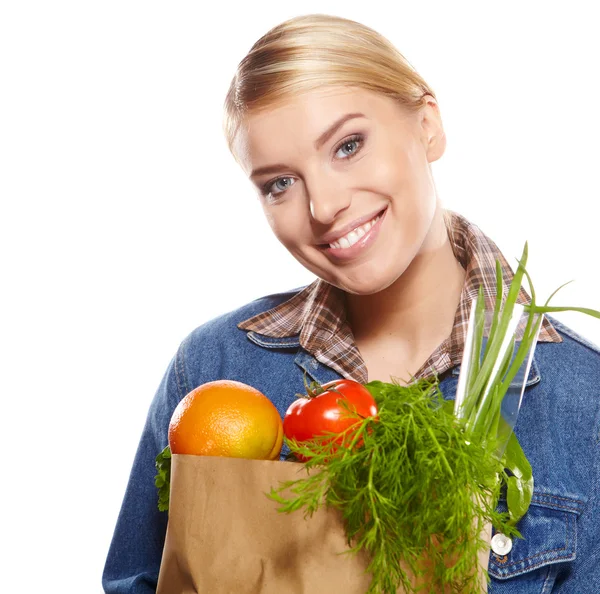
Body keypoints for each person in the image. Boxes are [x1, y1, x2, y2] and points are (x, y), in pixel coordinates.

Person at [103, 13, 600, 593]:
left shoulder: (584, 400)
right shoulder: (215, 371)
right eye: (279, 183)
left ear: (428, 124)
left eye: (348, 145)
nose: (323, 205)